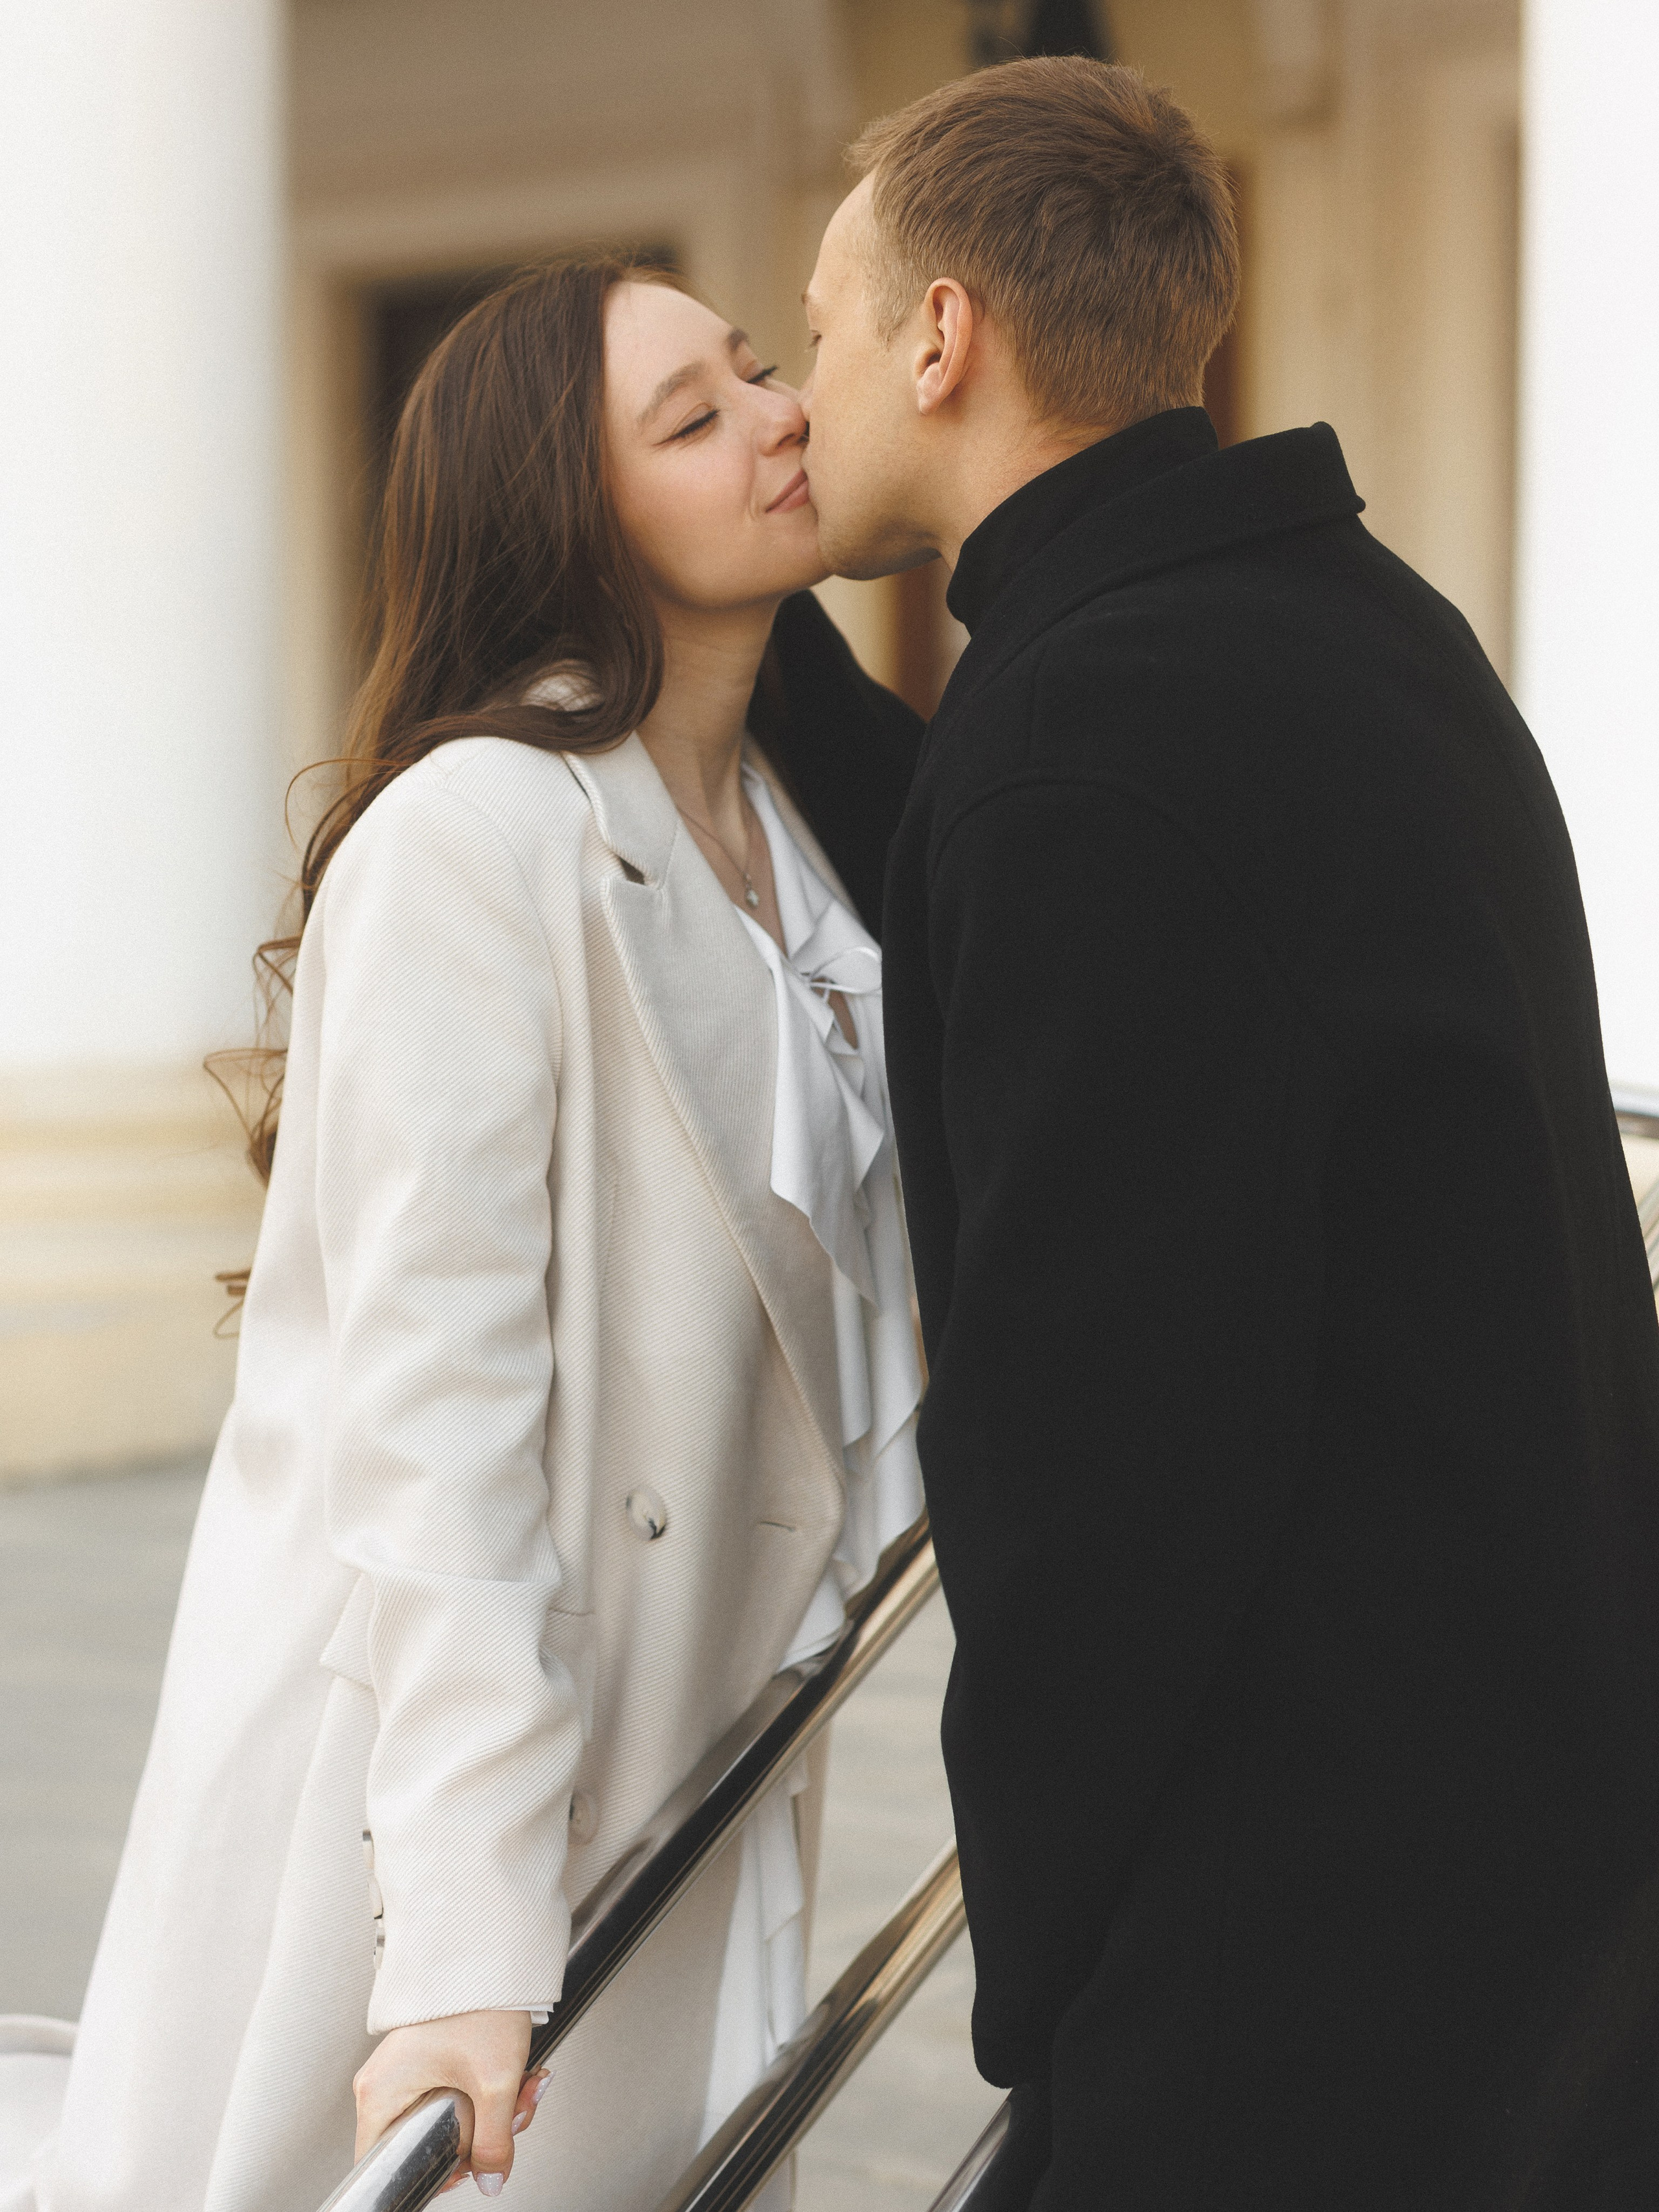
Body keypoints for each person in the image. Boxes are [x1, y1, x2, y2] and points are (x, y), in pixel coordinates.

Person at [798, 54, 1659, 2212]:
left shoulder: (1090, 740)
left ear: (941, 332)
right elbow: (1091, 911)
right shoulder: (1359, 634)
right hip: (1533, 1851)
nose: (799, 391)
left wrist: (1045, 1971)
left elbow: (1101, 1457)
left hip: (1304, 1956)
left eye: (815, 329)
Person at [0, 256, 924, 2212]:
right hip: (434, 1800)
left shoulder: (796, 825)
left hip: (692, 1742)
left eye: (758, 368)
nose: (778, 417)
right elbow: (435, 1436)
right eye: (693, 420)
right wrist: (459, 1946)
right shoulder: (474, 838)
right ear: (569, 528)